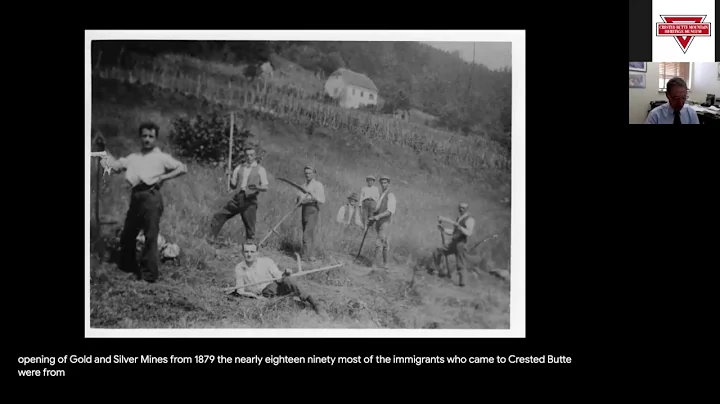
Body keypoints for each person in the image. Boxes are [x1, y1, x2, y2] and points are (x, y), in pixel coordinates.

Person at [100, 122, 187, 282]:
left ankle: (149, 275)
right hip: (136, 197)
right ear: (140, 137)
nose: (147, 139)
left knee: (150, 235)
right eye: (144, 136)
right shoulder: (134, 158)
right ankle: (127, 267)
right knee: (128, 234)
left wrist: (163, 177)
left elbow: (182, 168)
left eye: (151, 136)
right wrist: (103, 150)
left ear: (155, 138)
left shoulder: (161, 157)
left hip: (151, 197)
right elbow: (113, 166)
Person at [231, 241, 327, 317]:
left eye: (252, 252)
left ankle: (315, 304)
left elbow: (278, 275)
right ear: (242, 252)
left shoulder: (266, 261)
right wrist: (255, 296)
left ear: (257, 253)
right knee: (285, 302)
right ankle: (302, 305)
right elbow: (240, 291)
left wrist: (285, 273)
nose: (249, 254)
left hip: (273, 287)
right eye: (246, 251)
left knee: (289, 280)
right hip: (264, 295)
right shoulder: (239, 268)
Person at [208, 145, 269, 242]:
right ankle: (210, 239)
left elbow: (265, 187)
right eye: (247, 155)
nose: (249, 157)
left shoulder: (261, 169)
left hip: (250, 200)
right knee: (219, 215)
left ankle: (250, 247)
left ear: (255, 156)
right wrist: (227, 174)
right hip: (238, 198)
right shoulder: (239, 167)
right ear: (244, 156)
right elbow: (233, 185)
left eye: (251, 155)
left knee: (250, 227)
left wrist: (257, 187)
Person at [433, 202, 475, 287]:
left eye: (463, 208)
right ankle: (439, 270)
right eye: (460, 207)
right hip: (453, 243)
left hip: (461, 244)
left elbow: (469, 233)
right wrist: (444, 229)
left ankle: (462, 284)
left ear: (466, 209)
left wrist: (460, 227)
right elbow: (454, 232)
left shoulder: (470, 220)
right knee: (438, 251)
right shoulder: (459, 218)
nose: (461, 209)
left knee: (460, 264)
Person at [296, 166, 326, 262]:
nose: (308, 175)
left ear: (314, 174)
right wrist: (299, 200)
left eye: (310, 173)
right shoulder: (303, 186)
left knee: (307, 233)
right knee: (307, 232)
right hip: (304, 210)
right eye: (306, 173)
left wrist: (312, 195)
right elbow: (299, 201)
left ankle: (304, 257)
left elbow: (322, 200)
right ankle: (310, 255)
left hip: (313, 209)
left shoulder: (318, 185)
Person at [368, 175, 396, 269]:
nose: (383, 184)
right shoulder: (382, 194)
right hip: (379, 221)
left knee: (379, 242)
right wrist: (373, 217)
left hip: (386, 221)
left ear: (388, 183)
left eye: (385, 183)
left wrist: (377, 217)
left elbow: (390, 211)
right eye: (382, 183)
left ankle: (375, 265)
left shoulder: (390, 194)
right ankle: (385, 265)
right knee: (384, 243)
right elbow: (378, 208)